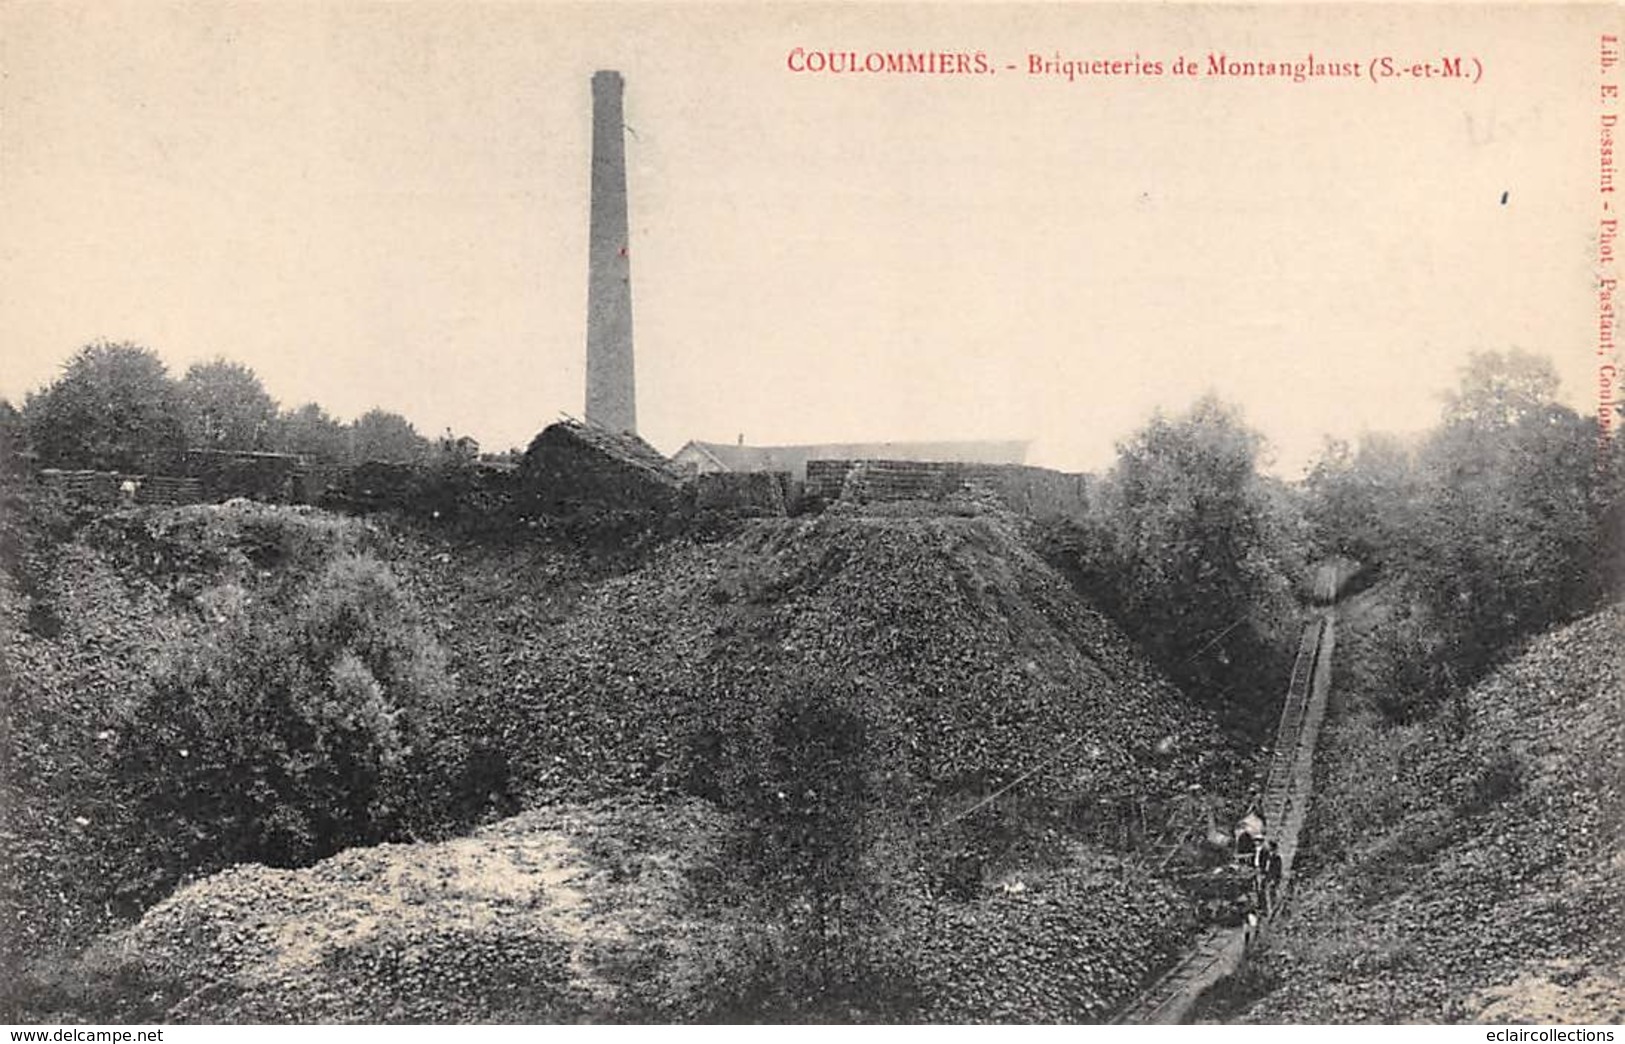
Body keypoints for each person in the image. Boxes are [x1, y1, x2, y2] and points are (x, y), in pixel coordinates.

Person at [1263, 840, 1284, 915]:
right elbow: (1264, 866)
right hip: (1267, 878)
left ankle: (1273, 911)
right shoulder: (1266, 856)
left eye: (1269, 846)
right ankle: (1269, 910)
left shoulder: (1277, 858)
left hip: (1273, 879)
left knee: (1273, 894)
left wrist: (1274, 880)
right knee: (1267, 895)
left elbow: (1277, 870)